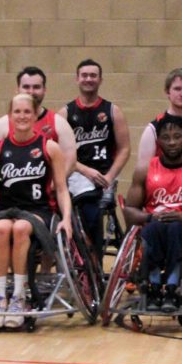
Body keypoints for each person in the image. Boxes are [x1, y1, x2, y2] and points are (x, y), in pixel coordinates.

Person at [0, 94, 72, 329]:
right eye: (17, 112)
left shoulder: (49, 147)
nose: (22, 116)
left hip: (38, 210)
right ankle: (0, 297)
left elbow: (62, 190)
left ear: (35, 115)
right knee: (1, 228)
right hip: (4, 210)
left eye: (27, 112)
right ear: (10, 115)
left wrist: (67, 219)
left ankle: (19, 297)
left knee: (21, 227)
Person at [123, 113, 182, 313]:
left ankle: (172, 287)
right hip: (154, 227)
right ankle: (154, 286)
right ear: (158, 141)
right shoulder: (144, 170)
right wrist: (150, 217)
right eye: (166, 138)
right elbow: (129, 211)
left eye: (177, 137)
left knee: (176, 228)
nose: (172, 142)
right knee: (154, 228)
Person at [57, 59, 131, 258]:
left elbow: (124, 149)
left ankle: (94, 262)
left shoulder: (112, 111)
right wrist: (84, 170)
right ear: (77, 79)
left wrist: (110, 176)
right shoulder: (65, 113)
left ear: (100, 80)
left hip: (104, 175)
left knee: (93, 211)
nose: (88, 79)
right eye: (84, 75)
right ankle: (72, 255)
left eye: (93, 75)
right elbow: (60, 152)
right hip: (75, 173)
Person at [0, 66, 78, 178]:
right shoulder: (1, 125)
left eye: (36, 87)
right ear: (17, 90)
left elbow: (70, 161)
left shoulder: (59, 123)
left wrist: (53, 184)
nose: (31, 91)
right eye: (26, 87)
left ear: (44, 90)